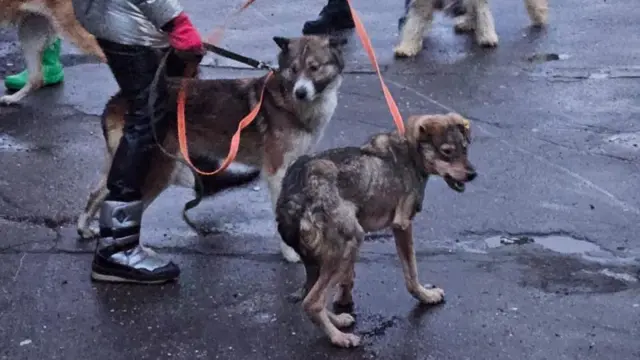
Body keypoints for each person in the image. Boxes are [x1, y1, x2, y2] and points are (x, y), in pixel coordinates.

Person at [71, 0, 206, 284]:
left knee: (148, 113)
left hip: (117, 17)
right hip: (126, 22)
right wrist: (174, 21)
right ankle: (117, 249)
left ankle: (118, 243)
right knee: (146, 118)